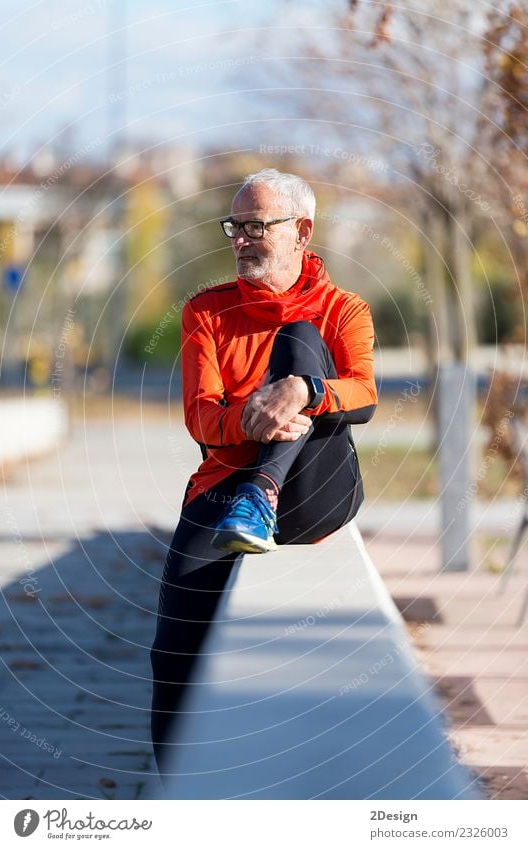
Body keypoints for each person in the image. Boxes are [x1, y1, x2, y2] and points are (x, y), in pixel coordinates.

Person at [150, 168, 377, 776]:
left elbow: (365, 397)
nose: (243, 239)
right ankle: (177, 796)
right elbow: (202, 418)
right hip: (223, 487)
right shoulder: (207, 310)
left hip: (315, 483)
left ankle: (265, 490)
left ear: (301, 230)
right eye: (236, 227)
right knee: (171, 655)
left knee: (301, 341)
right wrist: (254, 424)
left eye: (258, 226)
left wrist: (304, 390)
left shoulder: (343, 310)